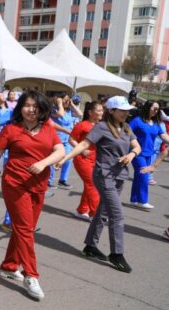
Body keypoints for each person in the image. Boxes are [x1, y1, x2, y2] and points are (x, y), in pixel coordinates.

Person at [0, 91, 65, 300]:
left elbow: (60, 151)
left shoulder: (48, 128)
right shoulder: (11, 129)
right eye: (27, 105)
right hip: (15, 184)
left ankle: (9, 266)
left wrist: (43, 163)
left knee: (25, 228)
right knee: (24, 229)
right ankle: (31, 275)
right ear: (20, 108)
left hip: (38, 185)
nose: (31, 110)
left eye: (35, 106)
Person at [57, 96, 140, 273]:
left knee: (102, 212)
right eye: (122, 110)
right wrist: (65, 158)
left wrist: (131, 155)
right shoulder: (102, 127)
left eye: (127, 111)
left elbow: (137, 147)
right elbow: (83, 144)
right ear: (112, 111)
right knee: (117, 215)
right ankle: (117, 254)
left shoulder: (126, 127)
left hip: (120, 176)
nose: (125, 113)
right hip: (104, 175)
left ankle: (90, 246)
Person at [128, 100, 169, 210]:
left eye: (158, 109)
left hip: (149, 154)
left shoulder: (156, 123)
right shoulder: (137, 121)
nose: (156, 111)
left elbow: (164, 136)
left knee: (139, 176)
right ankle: (143, 201)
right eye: (154, 108)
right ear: (147, 108)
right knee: (144, 175)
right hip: (137, 153)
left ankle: (134, 199)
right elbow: (127, 132)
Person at [69, 101, 104, 221]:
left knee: (89, 185)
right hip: (82, 159)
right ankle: (95, 214)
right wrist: (82, 150)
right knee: (92, 185)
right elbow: (71, 139)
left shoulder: (101, 125)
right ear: (90, 112)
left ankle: (82, 210)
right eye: (99, 110)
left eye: (102, 110)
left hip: (96, 160)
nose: (101, 112)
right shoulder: (82, 125)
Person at [48, 93, 81, 189]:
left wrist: (72, 104)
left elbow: (80, 114)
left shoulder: (69, 111)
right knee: (53, 160)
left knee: (68, 160)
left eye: (68, 99)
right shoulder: (53, 110)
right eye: (65, 99)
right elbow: (60, 114)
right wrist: (59, 104)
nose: (67, 101)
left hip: (67, 140)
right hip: (56, 139)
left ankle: (62, 180)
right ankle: (49, 181)